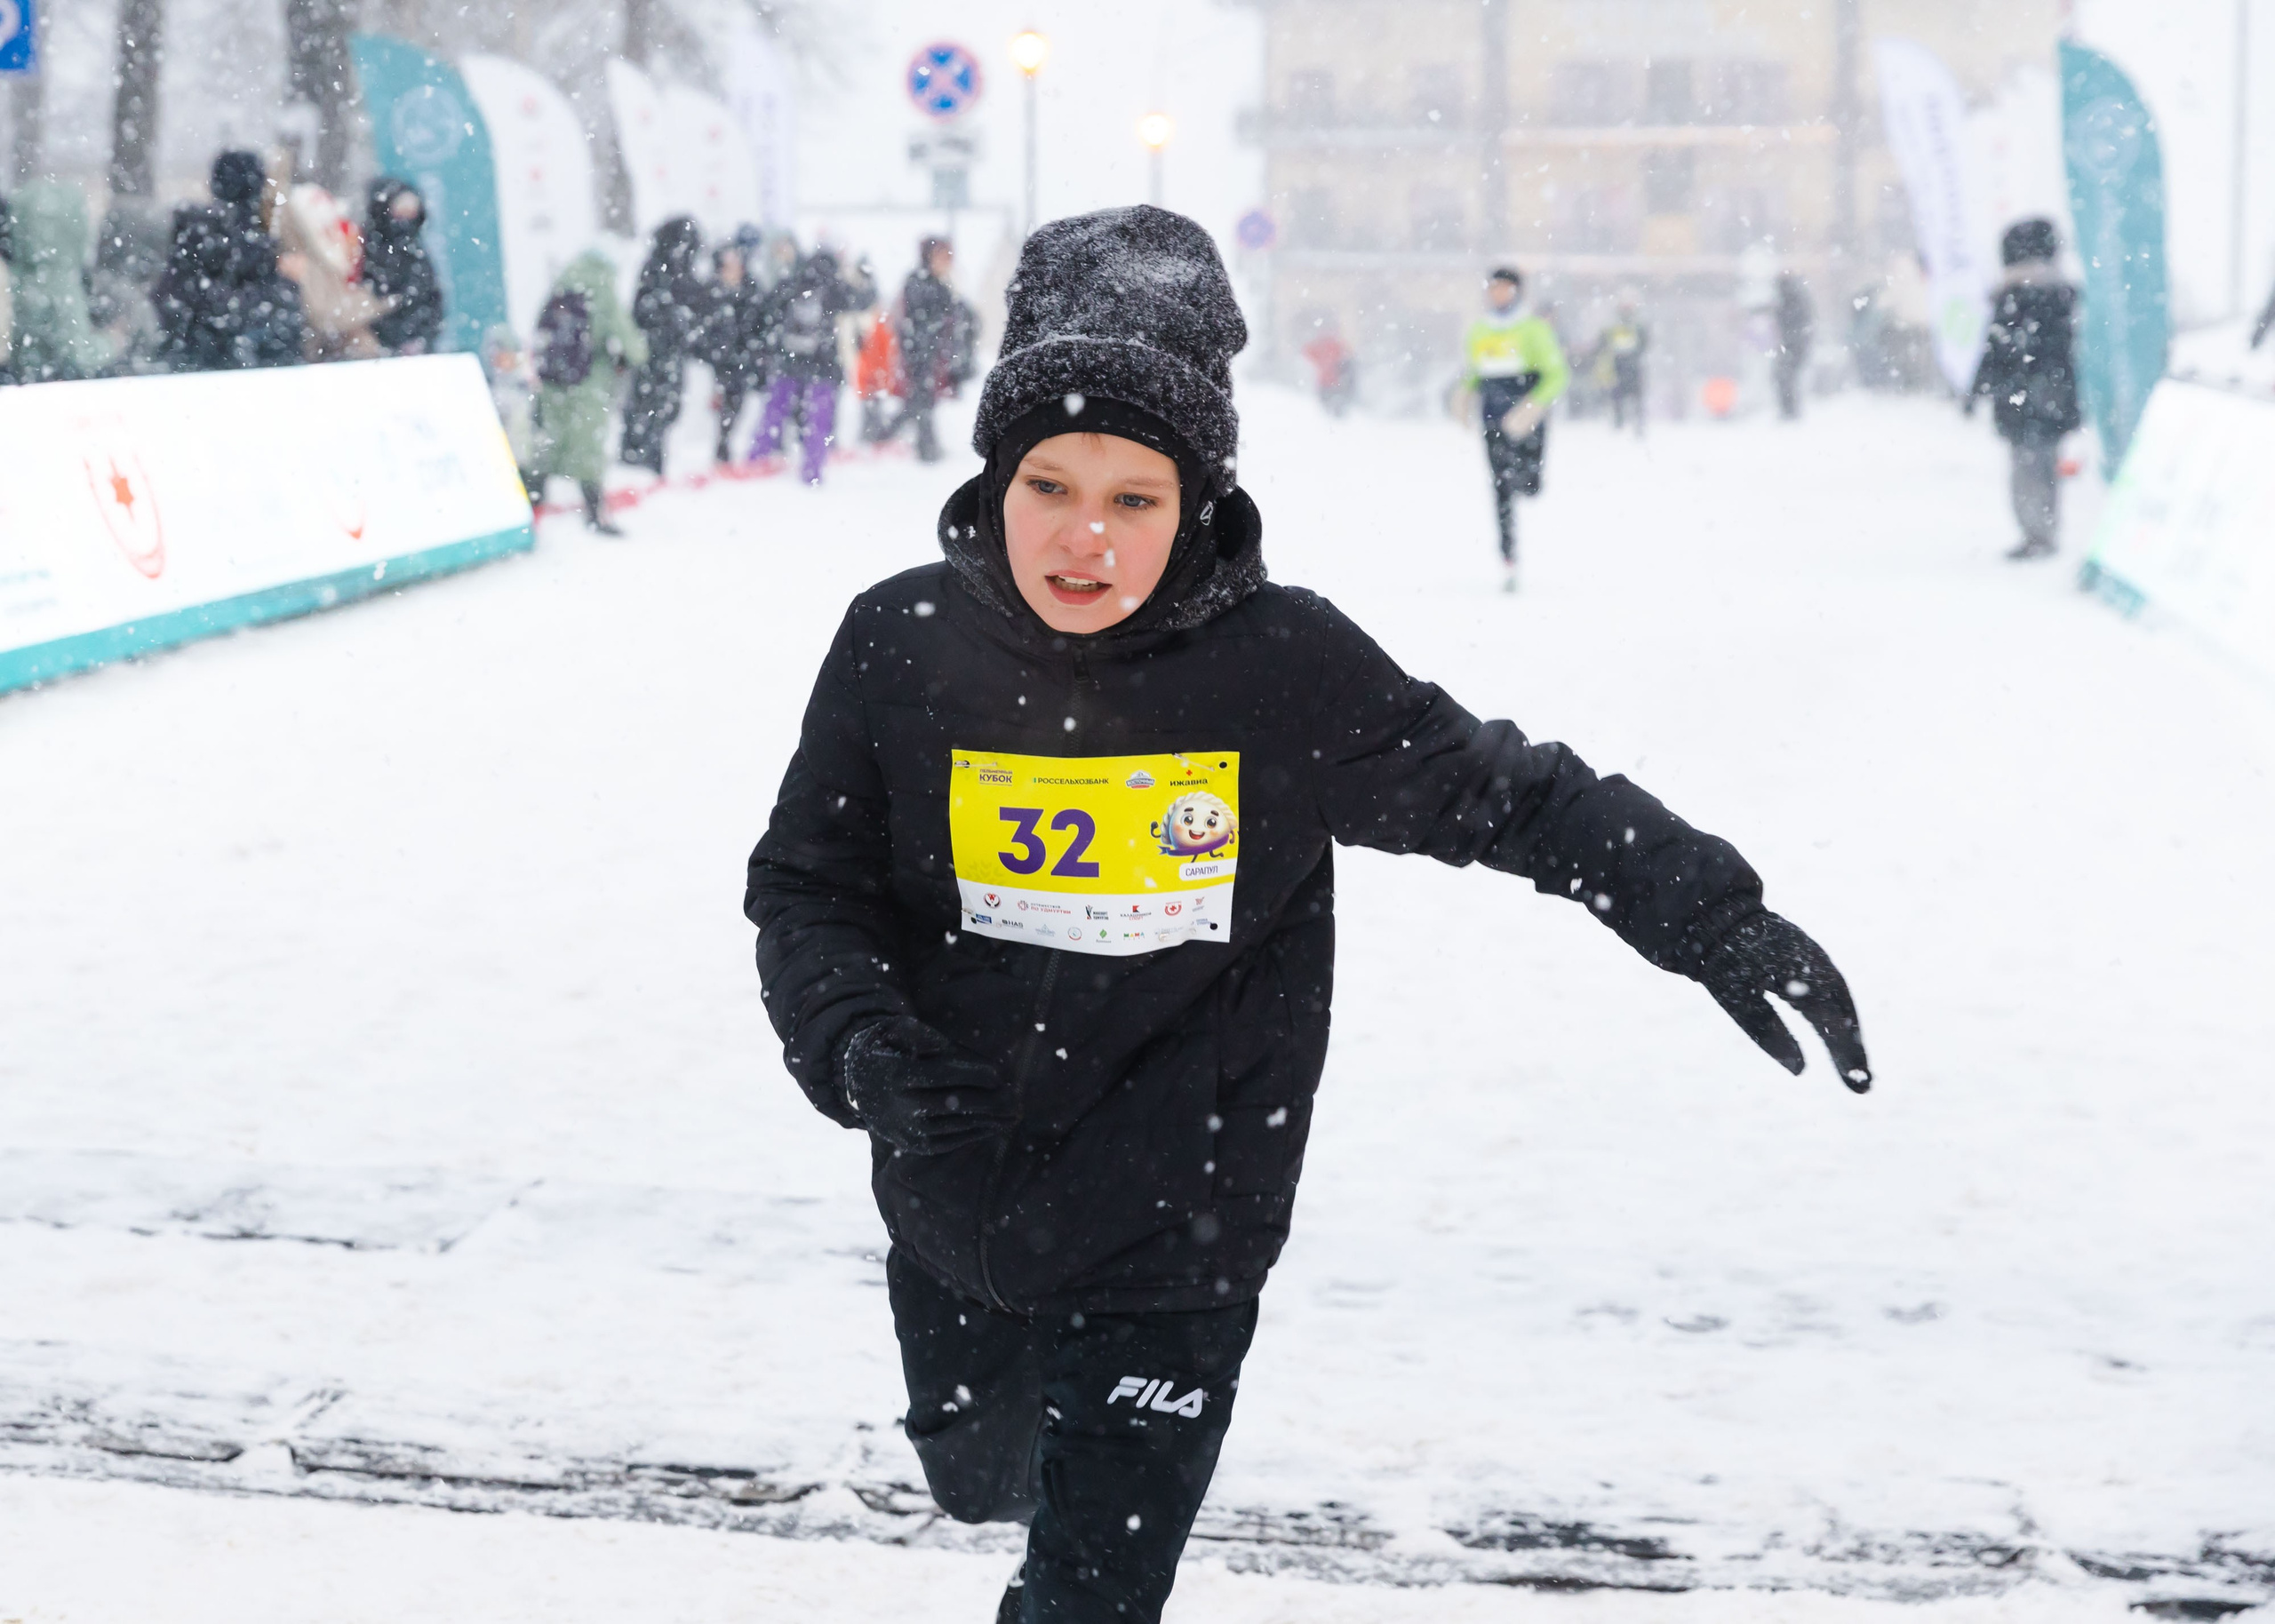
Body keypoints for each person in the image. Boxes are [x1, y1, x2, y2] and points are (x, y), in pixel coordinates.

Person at [745, 205, 1872, 1624]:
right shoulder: (898, 642)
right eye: (1050, 485)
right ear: (995, 478)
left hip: (1180, 1224)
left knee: (1089, 1594)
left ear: (1197, 500)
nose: (1085, 538)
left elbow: (1505, 795)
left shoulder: (1280, 669)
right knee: (982, 1480)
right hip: (953, 1197)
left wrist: (1705, 910)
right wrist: (855, 1046)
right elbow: (807, 886)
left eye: (1135, 498)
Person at [1967, 219, 2080, 561]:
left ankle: (2037, 534)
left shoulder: (2014, 297)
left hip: (2020, 400)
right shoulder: (2062, 296)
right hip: (2052, 398)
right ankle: (2044, 531)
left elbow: (1996, 350)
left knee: (2027, 469)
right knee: (2043, 466)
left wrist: (1979, 389)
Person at [1460, 266, 1569, 592]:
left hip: (1526, 419)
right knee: (1499, 488)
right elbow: (1476, 372)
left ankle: (1524, 482)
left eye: (1505, 288)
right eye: (1494, 289)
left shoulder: (1533, 329)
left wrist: (1533, 406)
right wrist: (1464, 394)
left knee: (1530, 483)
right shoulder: (1479, 331)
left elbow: (1557, 374)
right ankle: (1508, 559)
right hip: (1493, 419)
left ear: (1517, 292)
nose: (1499, 294)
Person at [530, 249, 647, 536]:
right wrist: (636, 355)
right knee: (588, 444)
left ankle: (534, 504)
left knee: (552, 439)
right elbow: (626, 337)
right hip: (587, 378)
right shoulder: (601, 288)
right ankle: (595, 513)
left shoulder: (563, 282)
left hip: (554, 378)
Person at [753, 243, 873, 485]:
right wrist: (865, 275)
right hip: (823, 364)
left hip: (789, 360)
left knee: (774, 413)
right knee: (818, 421)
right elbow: (864, 299)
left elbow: (767, 307)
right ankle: (812, 470)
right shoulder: (834, 288)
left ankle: (757, 463)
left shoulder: (792, 282)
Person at [4, 181, 118, 382]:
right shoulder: (61, 282)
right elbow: (79, 355)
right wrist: (113, 341)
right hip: (53, 393)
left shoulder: (20, 277)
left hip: (22, 389)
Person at [620, 215, 707, 475]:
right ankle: (640, 464)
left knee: (657, 412)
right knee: (652, 410)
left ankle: (644, 463)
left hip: (663, 353)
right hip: (657, 353)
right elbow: (643, 310)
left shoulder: (663, 267)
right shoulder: (662, 269)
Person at [877, 235, 975, 463]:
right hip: (921, 355)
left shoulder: (940, 283)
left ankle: (921, 445)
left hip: (932, 355)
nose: (947, 262)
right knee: (919, 401)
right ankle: (905, 442)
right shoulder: (921, 283)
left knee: (922, 401)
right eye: (942, 256)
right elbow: (917, 324)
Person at [703, 237, 770, 465]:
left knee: (738, 404)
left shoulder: (752, 290)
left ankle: (730, 446)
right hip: (717, 362)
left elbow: (762, 324)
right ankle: (719, 447)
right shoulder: (711, 293)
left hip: (743, 360)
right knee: (718, 406)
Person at [363, 179, 443, 357]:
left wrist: (424, 337)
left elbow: (432, 297)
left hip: (416, 342)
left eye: (412, 207)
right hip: (381, 346)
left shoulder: (416, 248)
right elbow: (376, 298)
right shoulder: (373, 248)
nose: (407, 213)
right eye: (402, 206)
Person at [1600, 296, 1648, 434]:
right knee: (1618, 396)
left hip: (1632, 365)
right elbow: (1605, 341)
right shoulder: (1615, 326)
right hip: (1619, 365)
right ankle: (1619, 423)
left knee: (1634, 397)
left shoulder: (1637, 325)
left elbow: (1644, 343)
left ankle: (1636, 425)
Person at [1774, 273, 1814, 420]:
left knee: (1785, 377)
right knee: (1787, 378)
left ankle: (1789, 410)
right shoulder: (1796, 300)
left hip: (1792, 346)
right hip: (1796, 346)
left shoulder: (1790, 302)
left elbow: (1788, 323)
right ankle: (1790, 409)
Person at [1299, 315, 1357, 416]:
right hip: (1332, 383)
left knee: (1328, 407)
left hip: (1328, 383)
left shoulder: (1325, 347)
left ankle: (1332, 420)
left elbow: (1307, 353)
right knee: (1332, 407)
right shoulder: (1334, 346)